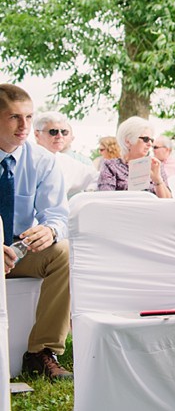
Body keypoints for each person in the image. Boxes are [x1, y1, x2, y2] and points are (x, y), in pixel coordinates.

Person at [1, 84, 73, 380]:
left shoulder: (42, 161)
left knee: (64, 253)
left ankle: (42, 352)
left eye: (29, 117)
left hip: (18, 253)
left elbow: (57, 214)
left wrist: (51, 231)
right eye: (15, 117)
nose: (25, 127)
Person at [97, 116, 172, 198]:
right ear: (128, 141)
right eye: (145, 139)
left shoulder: (155, 165)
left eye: (151, 140)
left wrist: (157, 179)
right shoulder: (111, 166)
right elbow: (105, 200)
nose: (150, 144)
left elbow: (168, 202)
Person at [33, 111, 96, 197]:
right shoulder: (25, 159)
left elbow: (97, 178)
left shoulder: (66, 161)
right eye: (53, 132)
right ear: (37, 134)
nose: (60, 136)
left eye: (64, 132)